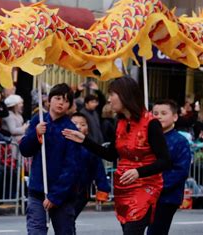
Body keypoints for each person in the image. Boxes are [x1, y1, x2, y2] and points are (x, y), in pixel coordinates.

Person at [62, 76, 171, 235]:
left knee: (132, 231)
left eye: (112, 94)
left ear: (125, 95)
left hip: (145, 186)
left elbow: (165, 161)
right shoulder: (119, 122)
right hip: (123, 187)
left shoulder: (151, 123)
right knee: (128, 229)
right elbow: (111, 155)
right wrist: (84, 140)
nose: (109, 99)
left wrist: (138, 172)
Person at [19, 83, 81, 235]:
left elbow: (71, 167)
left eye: (66, 101)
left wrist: (55, 196)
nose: (61, 103)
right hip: (37, 189)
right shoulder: (38, 120)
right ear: (49, 100)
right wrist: (36, 134)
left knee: (65, 231)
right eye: (58, 98)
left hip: (63, 195)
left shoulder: (71, 129)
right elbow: (25, 150)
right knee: (35, 231)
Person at [148, 100, 192, 235]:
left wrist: (157, 186)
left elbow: (181, 170)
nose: (159, 116)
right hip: (144, 194)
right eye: (155, 113)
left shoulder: (180, 141)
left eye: (163, 113)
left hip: (167, 197)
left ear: (175, 117)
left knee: (157, 231)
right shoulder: (147, 138)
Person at [69, 112, 110, 221]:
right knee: (66, 220)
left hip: (82, 191)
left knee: (69, 218)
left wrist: (102, 189)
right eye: (74, 123)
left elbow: (99, 169)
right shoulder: (61, 145)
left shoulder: (90, 148)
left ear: (87, 129)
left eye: (83, 124)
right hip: (62, 190)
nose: (78, 127)